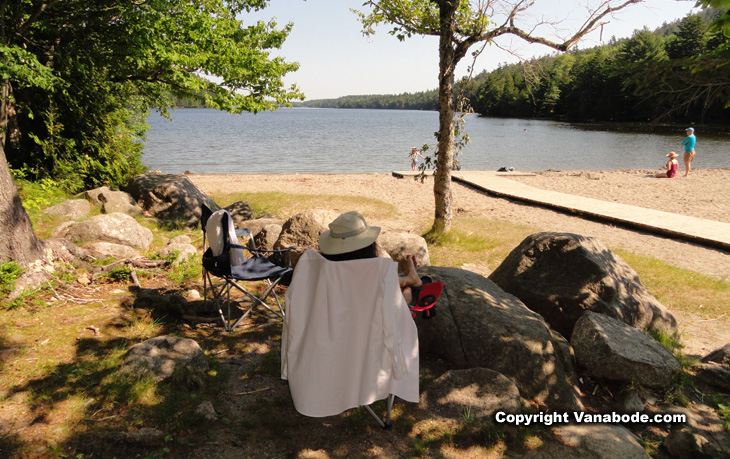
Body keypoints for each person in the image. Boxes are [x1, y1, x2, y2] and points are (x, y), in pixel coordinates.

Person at [319, 211, 423, 305]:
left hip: (329, 322)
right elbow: (397, 307)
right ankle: (410, 280)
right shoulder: (373, 271)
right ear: (368, 247)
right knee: (404, 297)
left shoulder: (321, 271)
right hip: (369, 320)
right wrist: (408, 288)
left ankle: (410, 279)